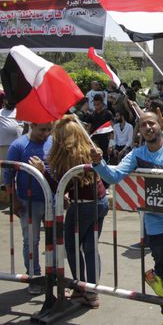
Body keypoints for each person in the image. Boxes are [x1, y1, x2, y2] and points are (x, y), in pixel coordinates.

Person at [91, 104, 163, 325]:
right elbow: (114, 176)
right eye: (143, 125)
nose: (148, 127)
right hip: (156, 223)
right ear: (140, 131)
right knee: (162, 264)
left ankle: (160, 275)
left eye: (151, 123)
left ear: (159, 126)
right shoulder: (136, 154)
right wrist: (98, 163)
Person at [35, 115, 109, 308]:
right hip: (100, 202)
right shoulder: (90, 151)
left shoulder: (69, 157)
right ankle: (92, 291)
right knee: (91, 247)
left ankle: (80, 286)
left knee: (72, 246)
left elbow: (59, 188)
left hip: (83, 206)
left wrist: (42, 171)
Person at [4, 122, 53, 295]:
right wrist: (14, 200)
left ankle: (52, 275)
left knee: (54, 241)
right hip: (28, 203)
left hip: (52, 202)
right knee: (31, 242)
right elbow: (8, 175)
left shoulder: (53, 143)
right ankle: (34, 276)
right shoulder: (18, 146)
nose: (46, 133)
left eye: (49, 129)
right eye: (42, 129)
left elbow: (59, 171)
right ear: (32, 126)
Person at [0, 102, 23, 184]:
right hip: (4, 146)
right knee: (4, 170)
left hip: (19, 146)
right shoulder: (0, 112)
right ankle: (4, 187)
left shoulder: (20, 112)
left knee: (18, 168)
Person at [87, 94, 113, 161]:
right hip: (94, 140)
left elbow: (112, 130)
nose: (96, 106)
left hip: (105, 140)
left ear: (102, 103)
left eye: (98, 104)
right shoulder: (91, 114)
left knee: (104, 159)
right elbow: (89, 129)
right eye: (94, 104)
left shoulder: (108, 114)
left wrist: (111, 144)